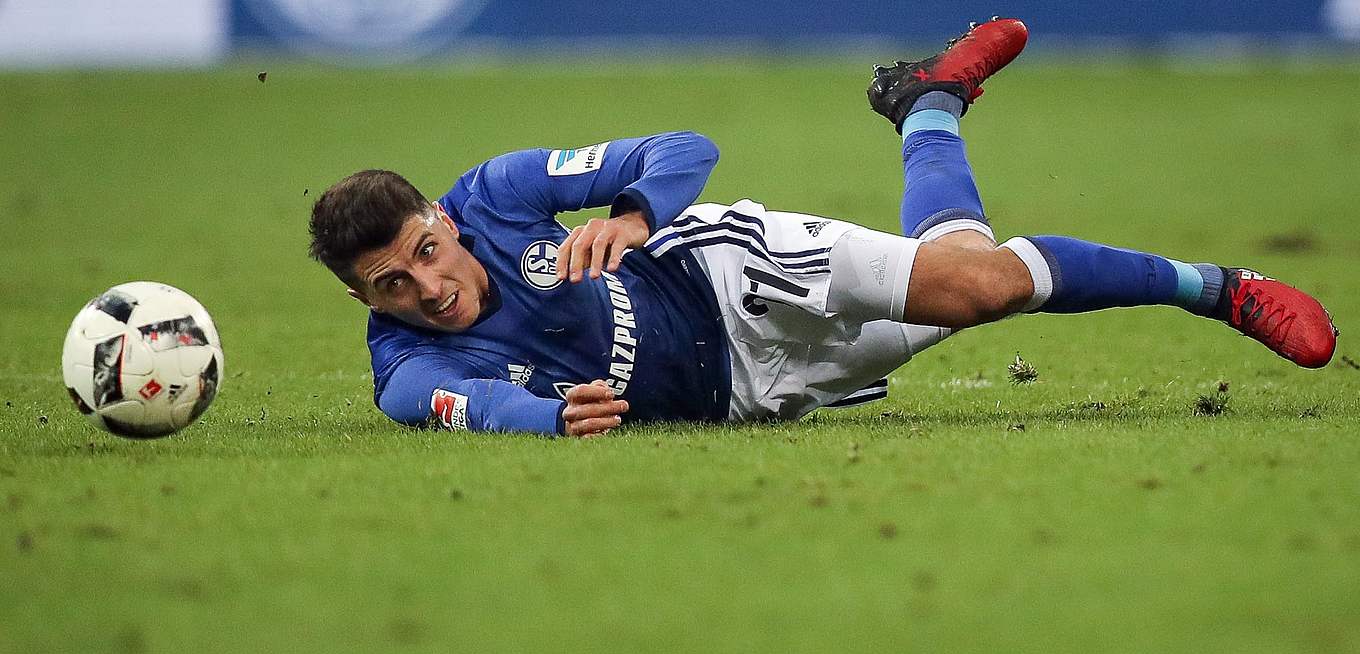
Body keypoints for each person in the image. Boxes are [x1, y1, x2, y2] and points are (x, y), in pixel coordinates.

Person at [306, 18, 1338, 438]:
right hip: (754, 389)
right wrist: (544, 419)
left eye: (425, 254)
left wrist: (629, 215)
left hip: (721, 274)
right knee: (964, 267)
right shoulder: (399, 363)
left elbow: (679, 148)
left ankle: (1221, 288)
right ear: (362, 298)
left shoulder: (492, 194)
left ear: (441, 220)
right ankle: (928, 106)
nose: (427, 288)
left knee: (977, 289)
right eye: (391, 284)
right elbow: (461, 406)